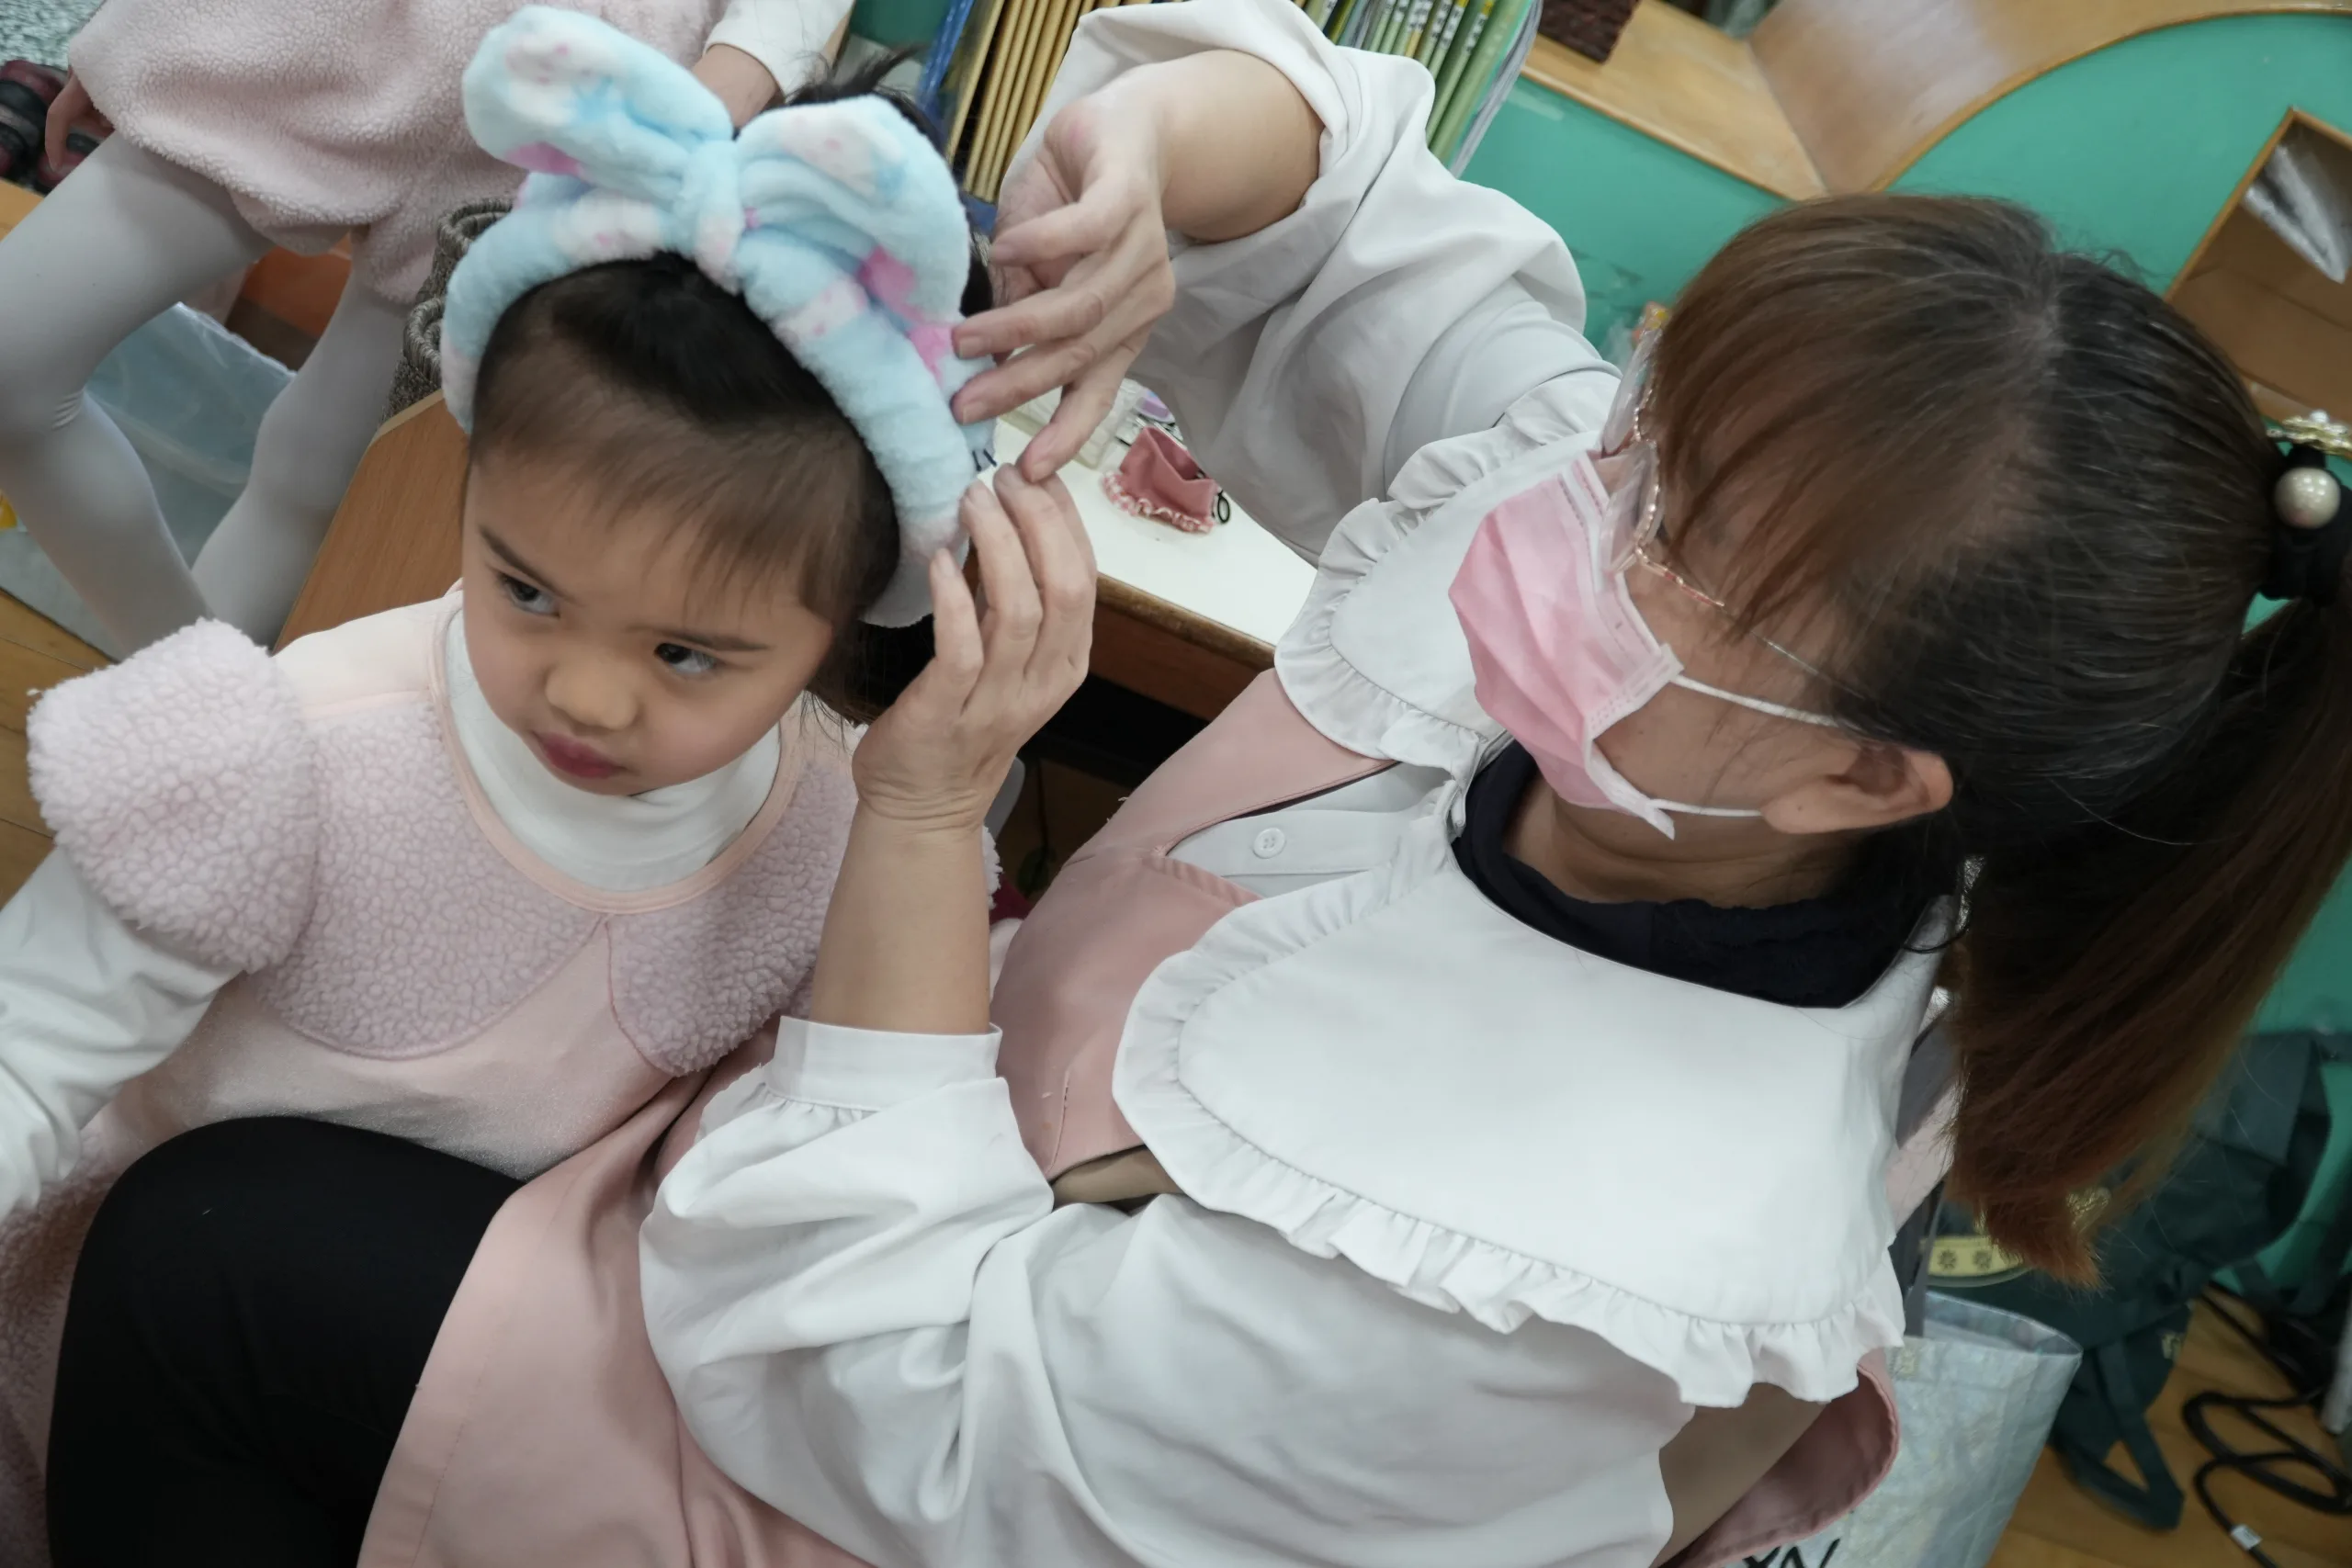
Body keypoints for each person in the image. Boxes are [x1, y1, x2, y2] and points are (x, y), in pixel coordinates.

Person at [43, 0, 2352, 1564]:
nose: (1573, 493)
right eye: (1645, 420)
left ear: (1863, 771)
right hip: (831, 1222)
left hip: (862, 1448)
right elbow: (1348, 218)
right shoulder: (1649, 641)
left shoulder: (1574, 1261)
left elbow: (915, 1408)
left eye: (1677, 541)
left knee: (212, 1258)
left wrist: (926, 824)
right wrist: (1152, 163)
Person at [9, 15, 1001, 1560]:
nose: (586, 693)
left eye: (687, 653)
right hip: (120, 1381)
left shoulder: (825, 849)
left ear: (844, 623)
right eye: (525, 588)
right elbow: (29, 1052)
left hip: (420, 1410)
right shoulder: (286, 745)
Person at [0, 0, 851, 655]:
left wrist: (723, 87)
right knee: (14, 357)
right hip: (322, 30)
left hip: (588, 82)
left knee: (318, 480)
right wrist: (152, 28)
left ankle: (177, 748)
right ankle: (196, 708)